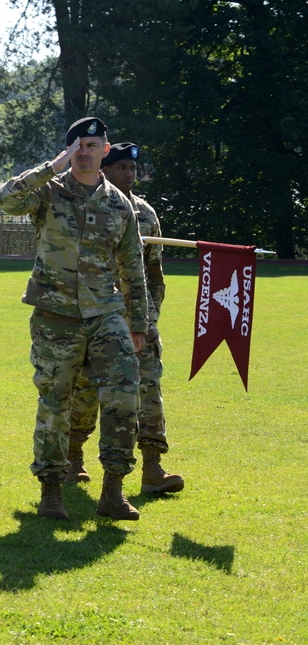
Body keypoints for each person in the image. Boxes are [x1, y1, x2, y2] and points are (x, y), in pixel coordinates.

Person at [0, 117, 149, 521]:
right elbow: (6, 199)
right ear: (69, 150)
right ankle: (51, 492)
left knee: (123, 397)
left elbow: (133, 266)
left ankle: (113, 491)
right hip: (56, 315)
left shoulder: (119, 203)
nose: (85, 151)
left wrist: (139, 325)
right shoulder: (47, 192)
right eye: (78, 145)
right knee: (55, 402)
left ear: (104, 148)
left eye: (93, 144)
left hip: (105, 313)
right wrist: (50, 167)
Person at [67, 142, 184, 493]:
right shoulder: (85, 206)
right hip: (97, 319)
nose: (129, 174)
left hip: (137, 323)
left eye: (132, 169)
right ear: (106, 168)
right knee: (86, 393)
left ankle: (153, 468)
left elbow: (154, 275)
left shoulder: (146, 214)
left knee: (149, 391)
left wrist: (147, 321)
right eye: (122, 168)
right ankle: (73, 456)